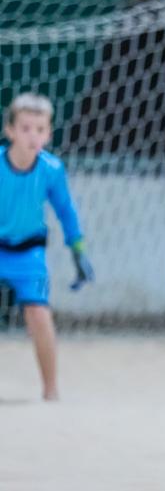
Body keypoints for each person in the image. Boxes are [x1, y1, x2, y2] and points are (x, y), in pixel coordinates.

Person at [0, 93, 95, 401]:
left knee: (39, 313)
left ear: (49, 134)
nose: (33, 136)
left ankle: (50, 390)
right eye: (25, 128)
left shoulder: (52, 169)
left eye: (40, 129)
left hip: (30, 254)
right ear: (10, 130)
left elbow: (66, 210)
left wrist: (78, 249)